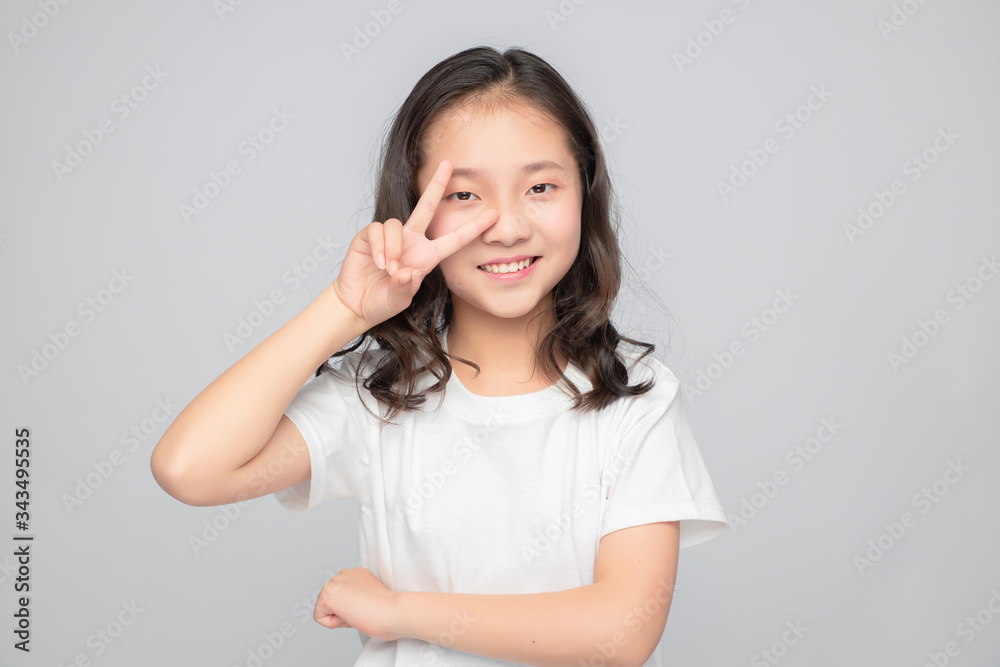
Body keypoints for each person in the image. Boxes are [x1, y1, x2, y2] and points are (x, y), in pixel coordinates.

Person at [151, 45, 728, 667]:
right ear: (413, 211)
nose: (507, 227)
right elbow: (190, 469)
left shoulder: (634, 396)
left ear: (584, 194)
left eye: (540, 186)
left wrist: (400, 612)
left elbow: (622, 632)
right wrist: (346, 310)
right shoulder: (379, 396)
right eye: (463, 195)